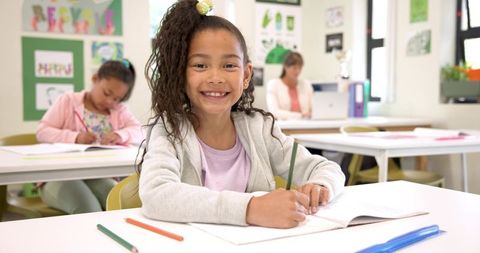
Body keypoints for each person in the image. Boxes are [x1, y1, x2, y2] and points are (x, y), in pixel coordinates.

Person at [139, 0, 345, 229]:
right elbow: (156, 194)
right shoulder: (169, 130)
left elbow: (326, 168)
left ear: (246, 75)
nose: (215, 77)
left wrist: (321, 185)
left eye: (229, 66)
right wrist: (250, 208)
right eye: (200, 66)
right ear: (181, 74)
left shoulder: (261, 129)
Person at [36, 59, 143, 214]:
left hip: (95, 175)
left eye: (117, 99)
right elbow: (42, 131)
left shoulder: (119, 111)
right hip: (58, 176)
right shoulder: (68, 101)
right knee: (88, 208)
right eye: (107, 93)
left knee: (120, 201)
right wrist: (76, 137)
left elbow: (140, 131)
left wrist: (120, 135)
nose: (109, 101)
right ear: (95, 79)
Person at [266, 51, 313, 120]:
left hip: (306, 126)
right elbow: (274, 112)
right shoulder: (273, 84)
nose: (298, 71)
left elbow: (313, 109)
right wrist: (300, 115)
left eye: (300, 68)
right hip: (283, 127)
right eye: (294, 68)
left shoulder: (306, 84)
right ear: (285, 67)